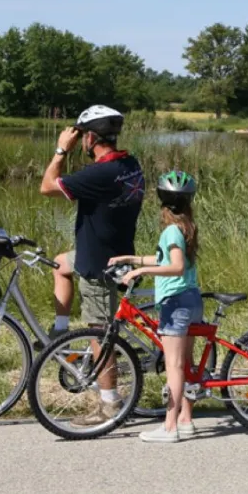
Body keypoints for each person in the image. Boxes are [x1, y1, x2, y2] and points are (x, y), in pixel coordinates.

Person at [39, 105, 145, 425]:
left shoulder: (100, 174)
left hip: (99, 266)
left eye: (83, 135)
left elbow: (47, 186)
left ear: (90, 138)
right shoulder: (129, 164)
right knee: (61, 263)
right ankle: (60, 334)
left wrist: (61, 150)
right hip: (116, 253)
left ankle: (110, 403)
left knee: (100, 334)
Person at [109, 170, 203, 443]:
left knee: (174, 366)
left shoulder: (171, 230)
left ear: (162, 201)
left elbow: (176, 266)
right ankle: (185, 420)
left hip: (176, 302)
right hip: (192, 299)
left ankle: (169, 427)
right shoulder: (186, 226)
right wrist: (132, 259)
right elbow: (166, 258)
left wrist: (141, 272)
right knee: (186, 364)